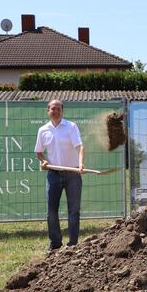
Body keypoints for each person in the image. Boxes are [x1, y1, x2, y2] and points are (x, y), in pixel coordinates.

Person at [35, 100, 85, 253]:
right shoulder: (43, 130)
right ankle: (55, 244)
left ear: (62, 111)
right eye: (52, 109)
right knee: (51, 211)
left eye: (58, 109)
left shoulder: (71, 127)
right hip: (54, 174)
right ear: (48, 111)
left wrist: (81, 164)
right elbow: (38, 151)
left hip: (73, 174)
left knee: (73, 210)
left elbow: (80, 146)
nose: (55, 111)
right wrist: (44, 161)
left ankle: (73, 244)